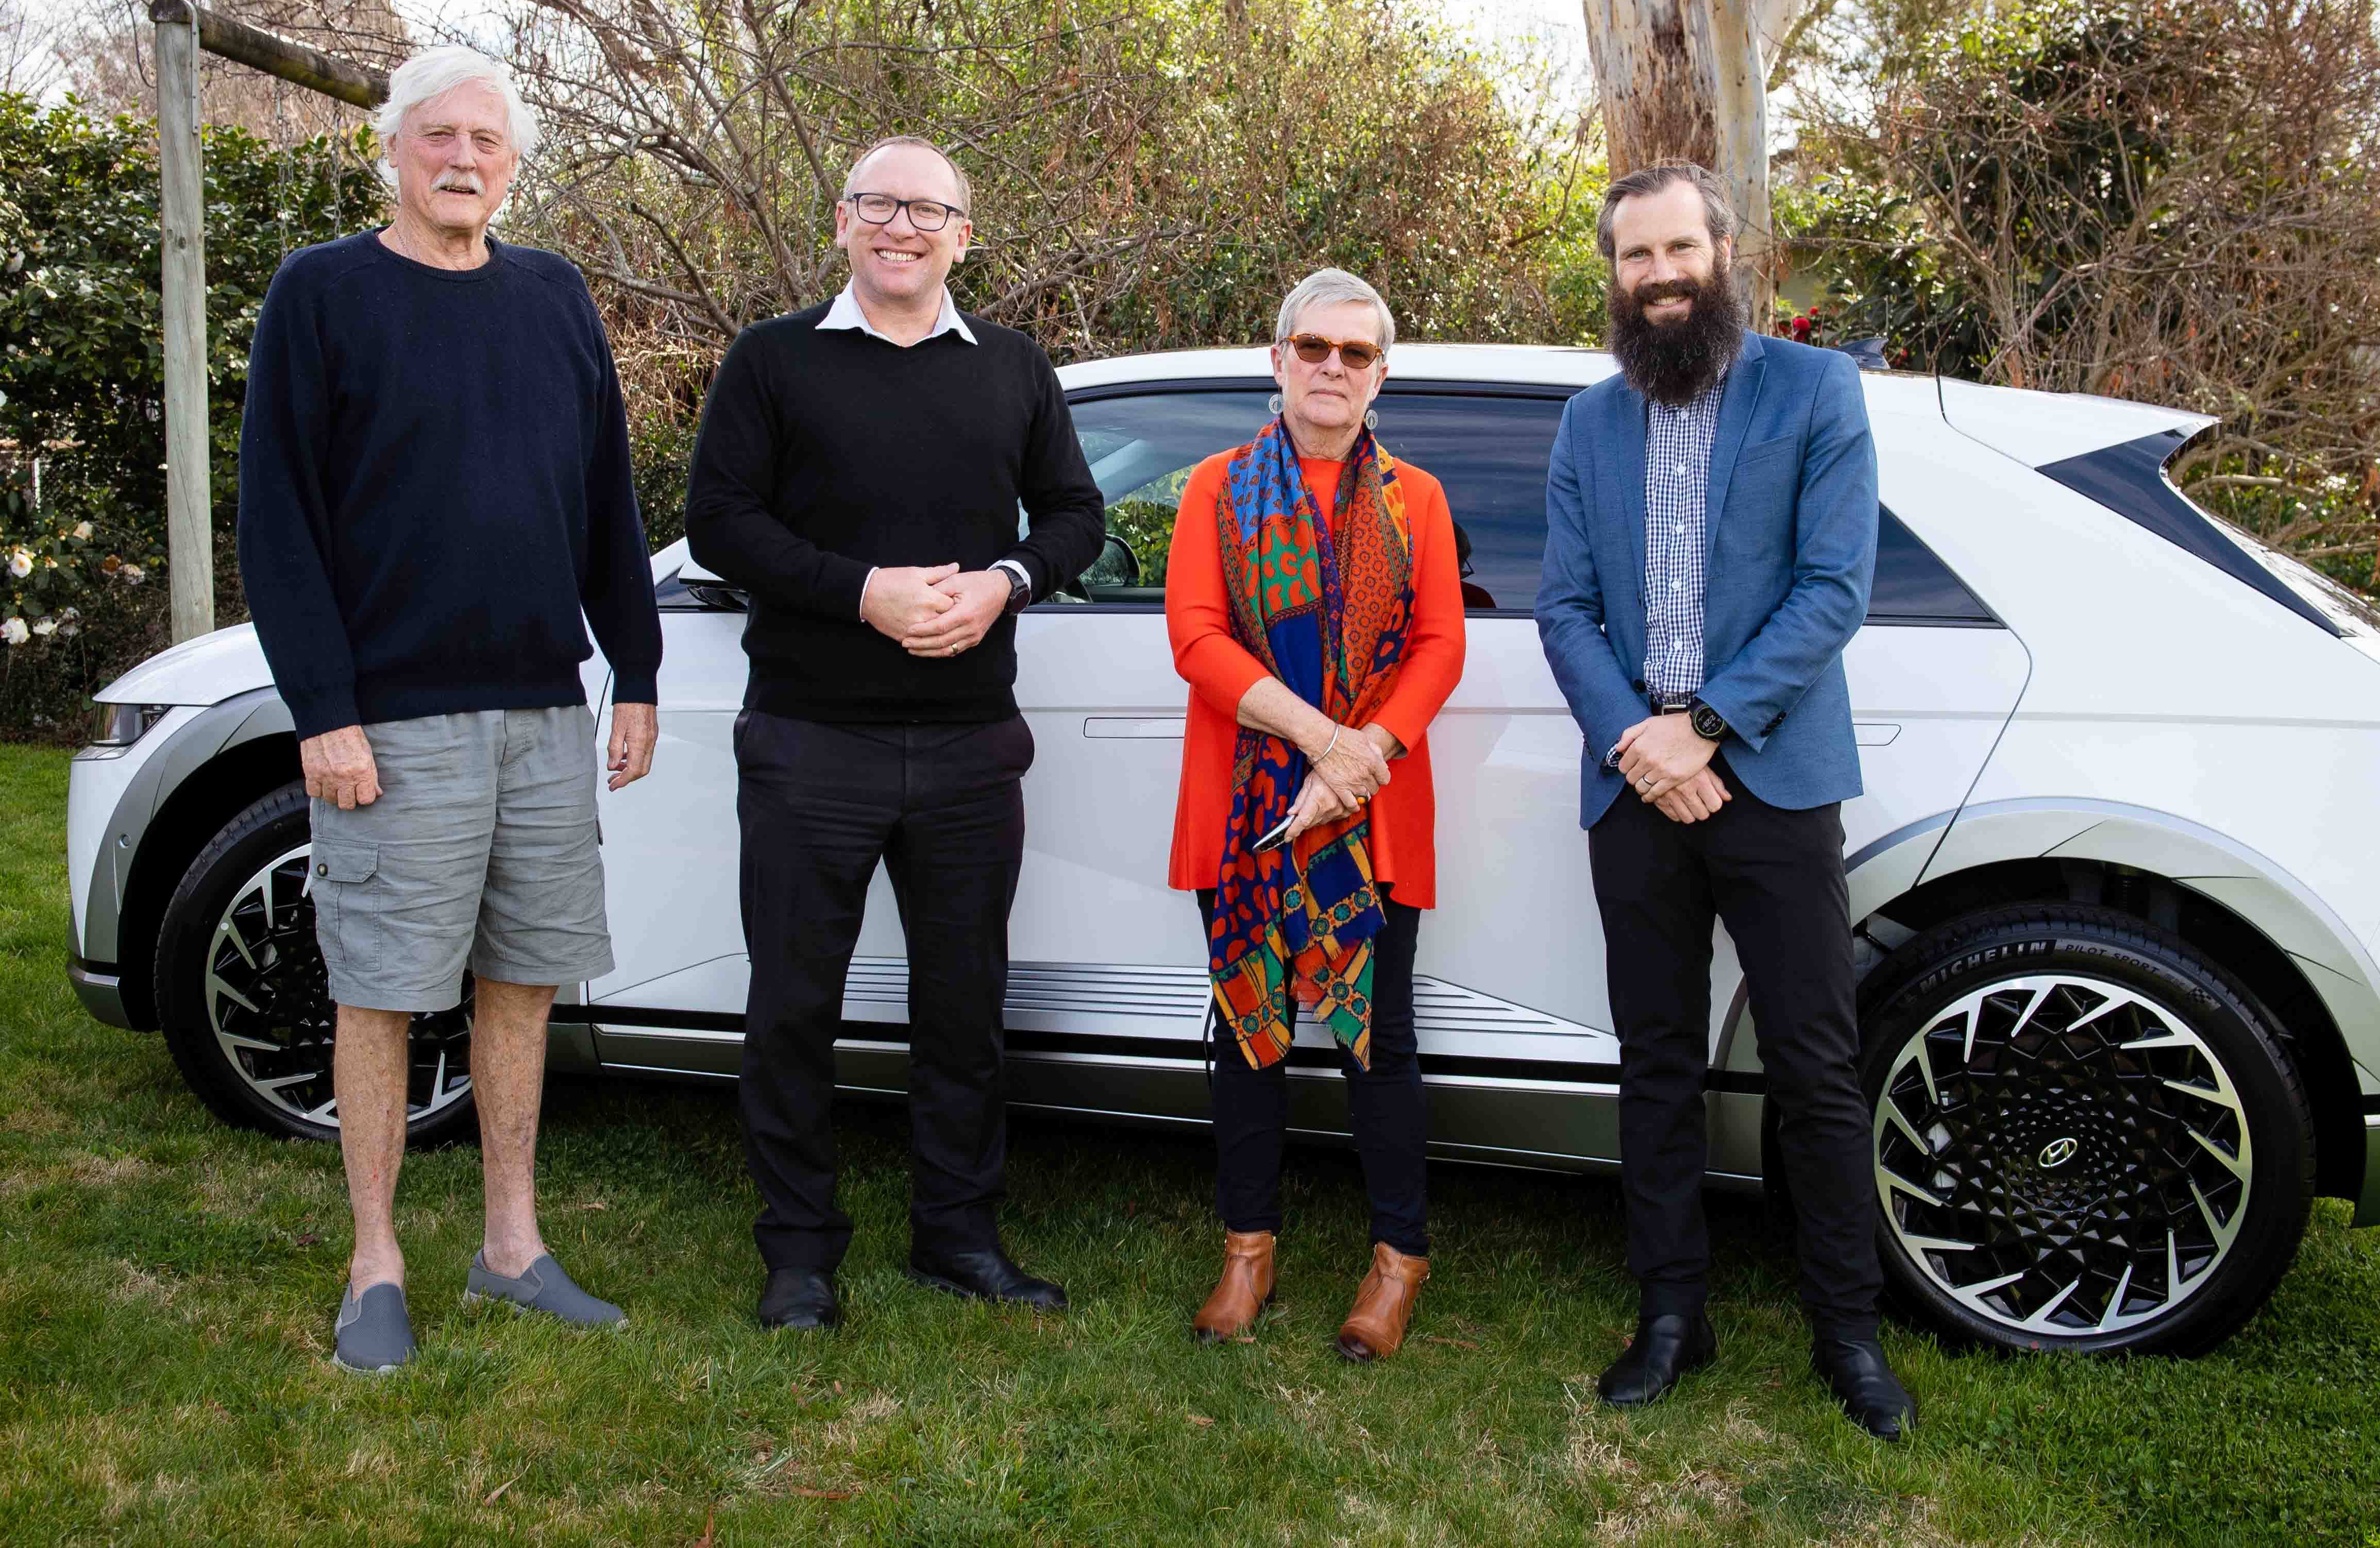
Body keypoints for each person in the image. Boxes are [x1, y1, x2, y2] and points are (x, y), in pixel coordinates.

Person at [238, 45, 662, 1375]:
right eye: (438, 135)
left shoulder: (554, 295)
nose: (463, 158)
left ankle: (511, 1250)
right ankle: (375, 1264)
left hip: (543, 712)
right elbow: (277, 520)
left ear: (515, 163)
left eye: (486, 138)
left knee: (523, 983)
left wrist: (637, 668)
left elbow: (606, 497)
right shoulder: (321, 292)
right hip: (393, 723)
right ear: (393, 152)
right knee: (380, 991)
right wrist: (324, 708)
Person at [684, 135, 1104, 1333]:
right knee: (793, 1010)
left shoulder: (1014, 369)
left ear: (962, 237)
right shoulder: (771, 361)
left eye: (927, 210)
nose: (900, 226)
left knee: (963, 1011)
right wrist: (859, 591)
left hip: (971, 745)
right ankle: (798, 1255)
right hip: (809, 739)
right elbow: (718, 522)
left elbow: (1075, 515)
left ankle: (957, 1239)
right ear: (842, 222)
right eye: (878, 204)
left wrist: (1008, 582)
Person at [1533, 161, 1916, 1437]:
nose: (1658, 276)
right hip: (1634, 786)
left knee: (1815, 1064)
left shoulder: (1813, 390)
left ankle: (1847, 1334)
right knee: (1655, 1062)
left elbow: (1832, 590)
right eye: (1634, 256)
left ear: (1722, 251)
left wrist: (1699, 732)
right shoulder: (1589, 422)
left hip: (1772, 779)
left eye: (1677, 250)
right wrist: (1638, 743)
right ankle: (1670, 1316)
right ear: (1613, 271)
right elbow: (1564, 608)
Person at [1161, 268, 1467, 1360]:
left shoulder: (1415, 498)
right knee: (1249, 1033)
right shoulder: (1215, 488)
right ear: (1278, 358)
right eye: (1313, 347)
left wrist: (1359, 756)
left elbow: (1439, 646)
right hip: (1248, 809)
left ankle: (1397, 1260)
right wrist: (1319, 739)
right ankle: (1247, 1252)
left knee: (1377, 1044)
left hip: (1369, 811)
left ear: (1380, 375)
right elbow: (1197, 637)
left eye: (1356, 353)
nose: (1332, 367)